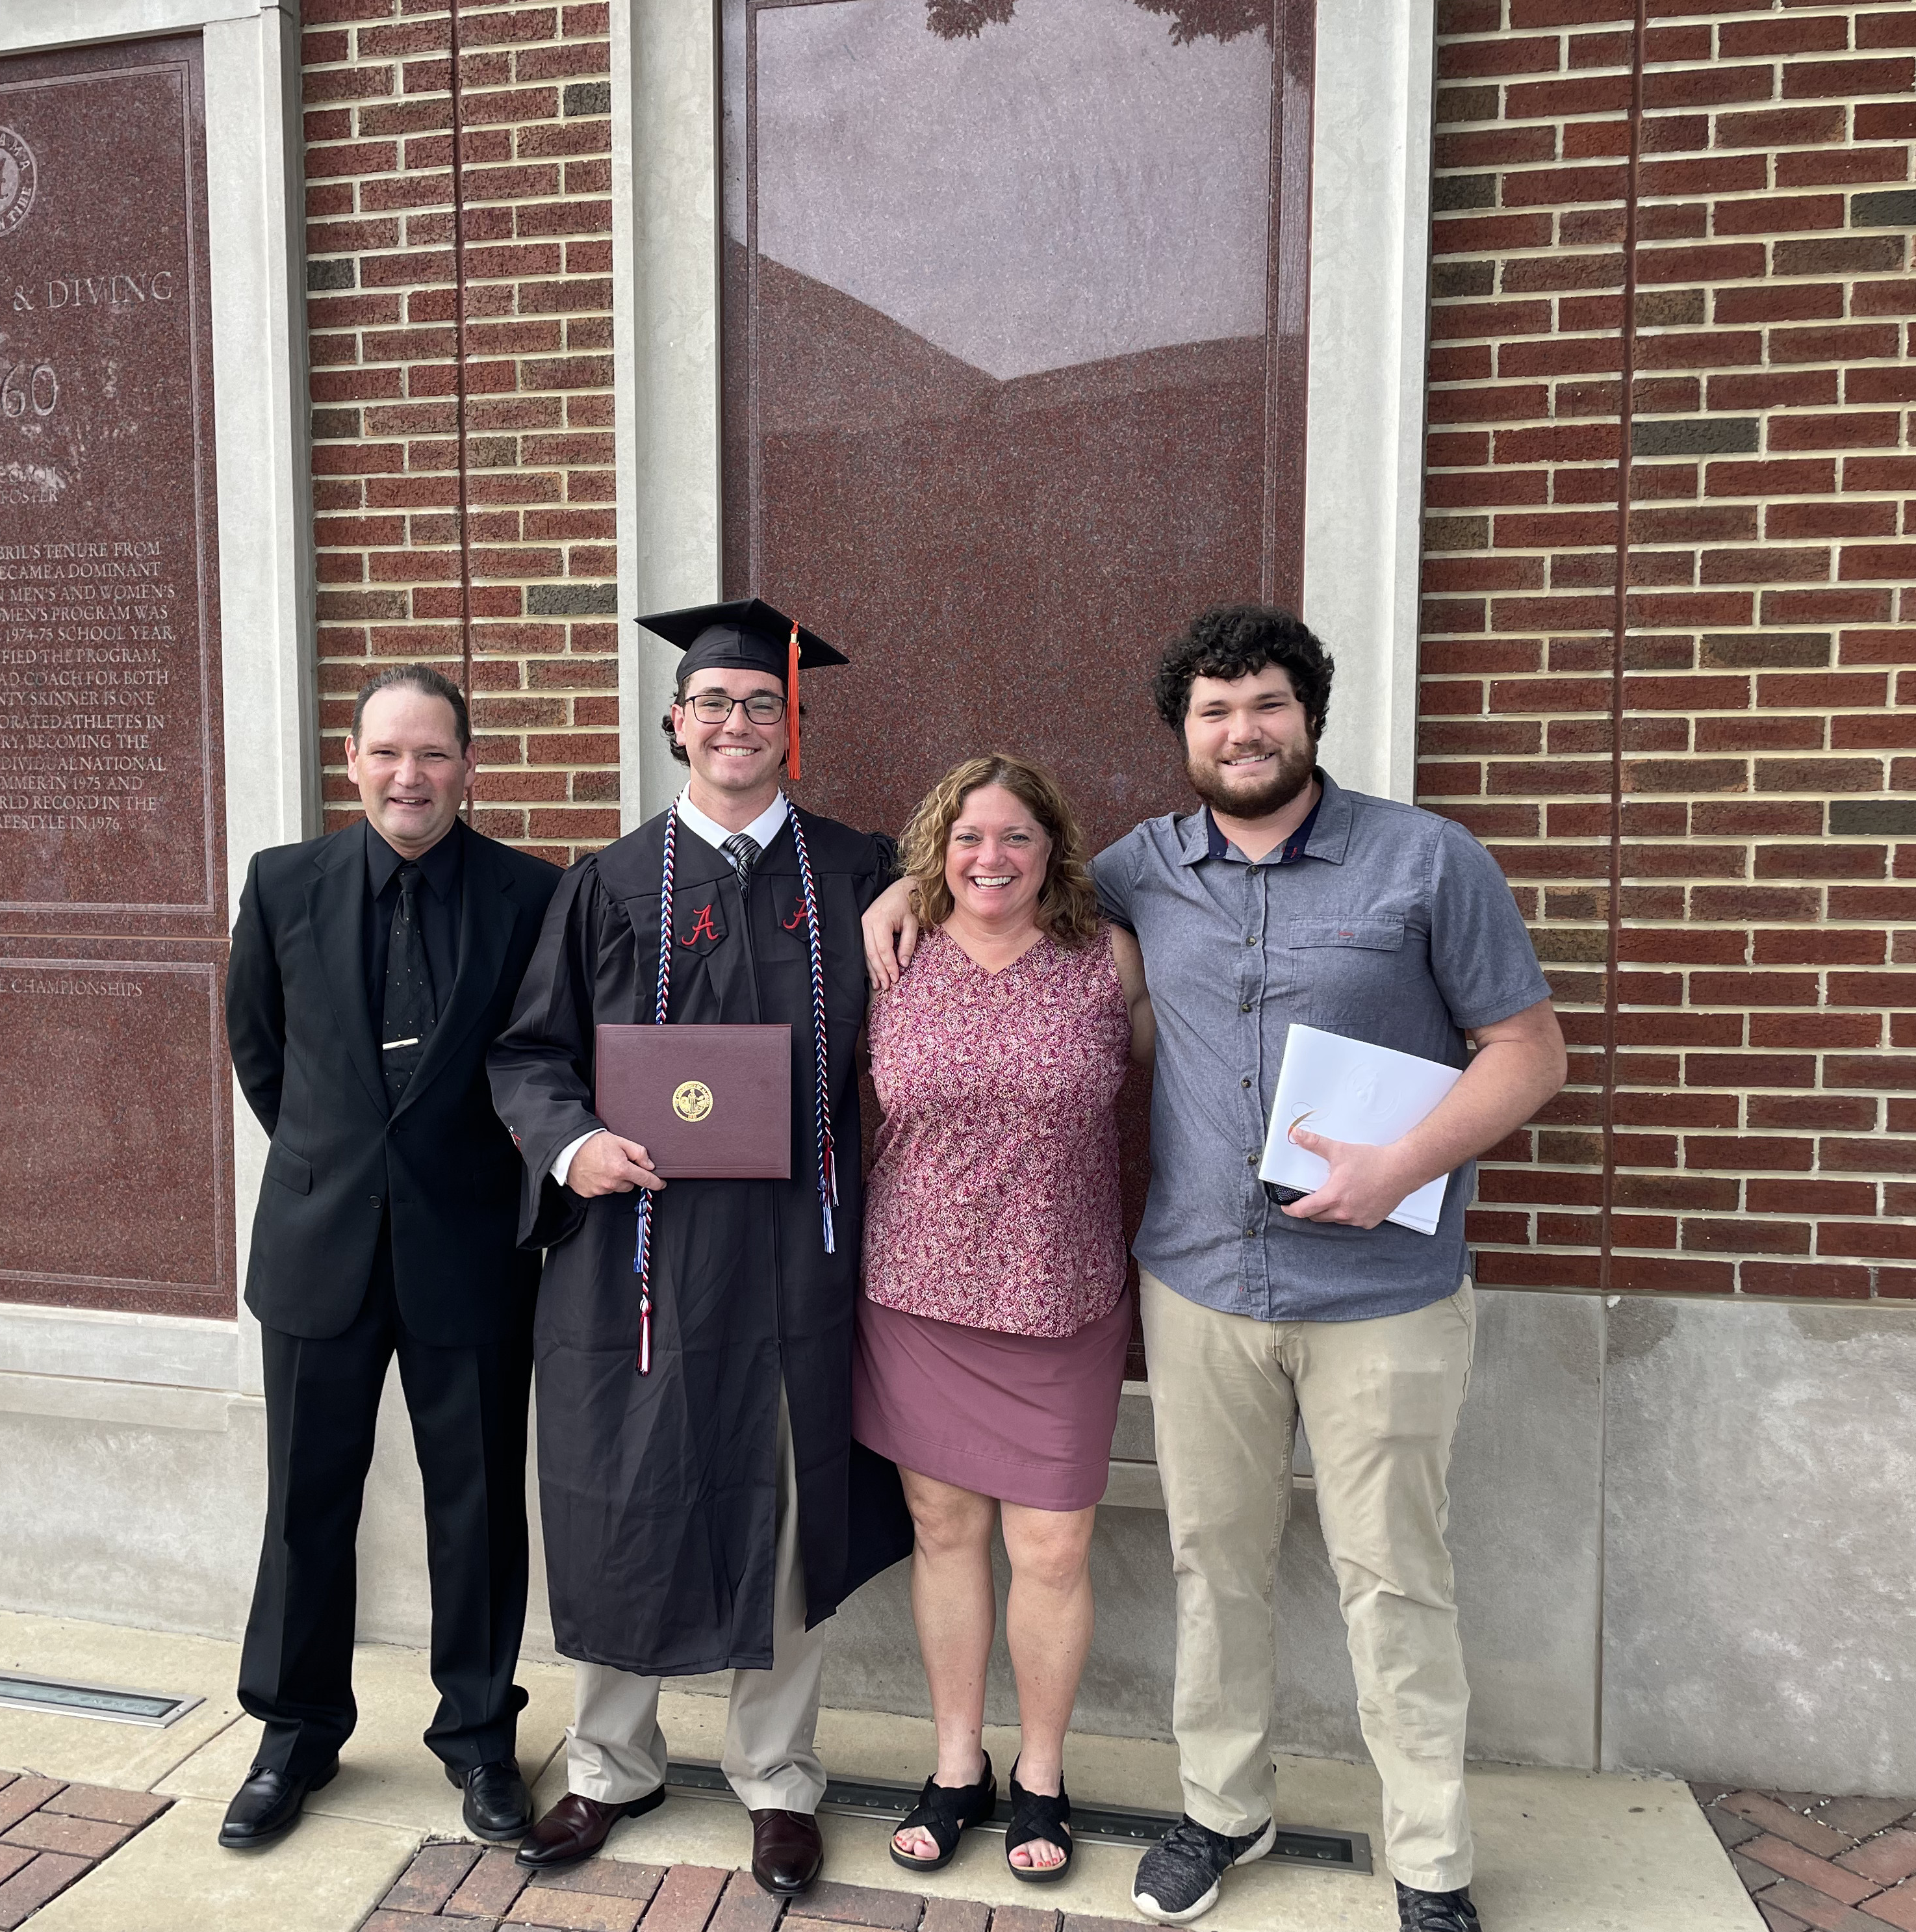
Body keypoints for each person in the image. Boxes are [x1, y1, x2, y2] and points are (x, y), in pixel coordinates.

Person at [864, 606, 1566, 1932]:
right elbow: (998, 872)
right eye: (1214, 712)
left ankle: (1431, 1863)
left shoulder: (1429, 863)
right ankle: (1221, 1812)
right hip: (1199, 1286)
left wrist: (1402, 1165)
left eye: (1266, 707)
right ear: (1184, 733)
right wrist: (907, 886)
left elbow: (1529, 1051)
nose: (1242, 733)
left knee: (1393, 1577)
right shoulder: (1142, 871)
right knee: (1215, 1566)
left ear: (1310, 716)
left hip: (1381, 1298)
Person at [487, 597, 906, 1898]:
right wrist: (574, 1149)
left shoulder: (863, 874)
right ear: (675, 722)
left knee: (788, 1505)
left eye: (761, 705)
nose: (736, 723)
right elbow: (529, 1056)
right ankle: (609, 1764)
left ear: (795, 726)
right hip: (637, 1253)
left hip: (799, 1254)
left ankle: (777, 1783)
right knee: (622, 1493)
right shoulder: (607, 883)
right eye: (713, 704)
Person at [221, 665, 563, 1852]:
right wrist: (339, 1169)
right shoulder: (283, 885)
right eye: (386, 754)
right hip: (319, 1249)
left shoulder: (531, 893)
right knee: (305, 1503)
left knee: (476, 1508)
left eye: (432, 756)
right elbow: (263, 1056)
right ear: (351, 761)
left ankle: (478, 1738)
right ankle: (295, 1733)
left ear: (468, 767)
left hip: (469, 1250)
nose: (408, 776)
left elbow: (545, 1055)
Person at [858, 754, 1151, 1885]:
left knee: (1053, 1545)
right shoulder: (894, 954)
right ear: (935, 848)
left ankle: (1041, 1774)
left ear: (1053, 850)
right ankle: (954, 1765)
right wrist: (893, 896)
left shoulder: (1106, 959)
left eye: (1016, 836)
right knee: (945, 1534)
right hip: (918, 1289)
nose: (991, 857)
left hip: (1061, 1290)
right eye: (968, 836)